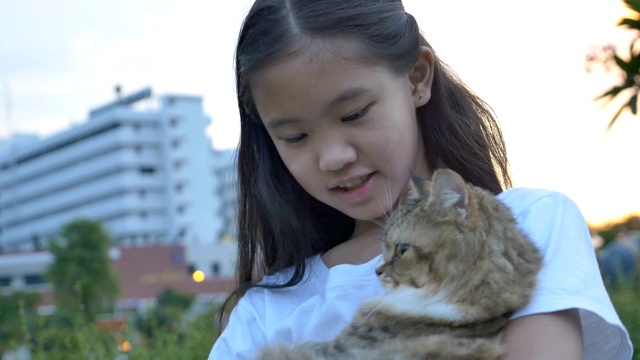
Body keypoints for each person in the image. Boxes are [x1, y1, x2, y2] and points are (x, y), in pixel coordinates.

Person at [209, 0, 632, 359]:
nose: (333, 157)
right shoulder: (263, 312)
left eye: (354, 113)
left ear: (416, 78)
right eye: (295, 137)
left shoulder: (530, 223)